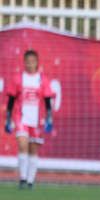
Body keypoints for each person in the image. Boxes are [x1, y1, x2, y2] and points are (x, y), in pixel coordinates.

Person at [5, 49, 55, 190]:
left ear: (37, 63)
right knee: (22, 145)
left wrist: (49, 119)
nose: (30, 64)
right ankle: (22, 178)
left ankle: (30, 181)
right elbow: (11, 100)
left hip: (37, 120)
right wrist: (8, 119)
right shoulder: (18, 79)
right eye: (27, 61)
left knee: (33, 150)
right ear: (24, 62)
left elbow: (47, 101)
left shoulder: (42, 80)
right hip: (21, 118)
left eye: (32, 61)